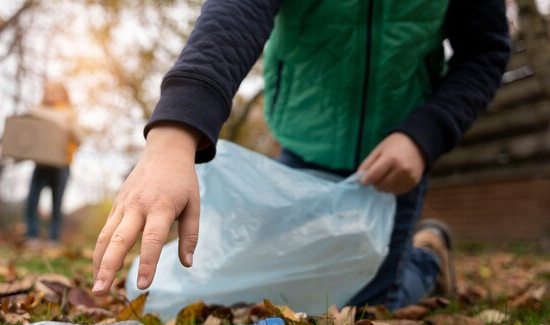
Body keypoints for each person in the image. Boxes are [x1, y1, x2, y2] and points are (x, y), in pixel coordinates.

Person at [91, 1, 510, 309]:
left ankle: (427, 257)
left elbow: (485, 52)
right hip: (304, 145)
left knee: (367, 310)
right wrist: (175, 132)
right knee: (287, 290)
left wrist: (425, 135)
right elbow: (239, 10)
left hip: (396, 160)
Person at [24, 82, 80, 248]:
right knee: (32, 201)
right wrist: (60, 117)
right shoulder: (39, 110)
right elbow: (32, 112)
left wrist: (69, 124)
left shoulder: (72, 114)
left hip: (62, 165)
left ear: (64, 93)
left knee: (57, 204)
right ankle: (32, 237)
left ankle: (53, 240)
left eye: (56, 91)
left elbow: (79, 139)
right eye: (49, 91)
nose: (52, 94)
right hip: (41, 164)